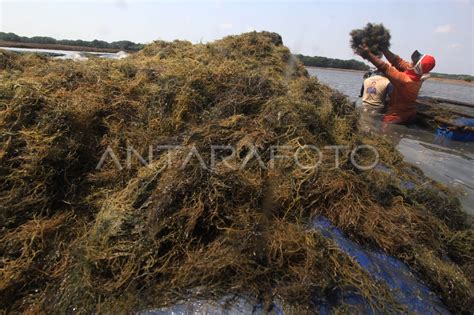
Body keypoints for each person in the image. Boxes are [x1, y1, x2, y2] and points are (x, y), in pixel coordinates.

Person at [356, 46, 436, 124]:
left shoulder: (406, 81)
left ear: (417, 67)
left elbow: (385, 68)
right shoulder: (416, 74)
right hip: (410, 114)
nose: (410, 62)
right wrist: (384, 48)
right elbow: (398, 61)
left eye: (414, 62)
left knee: (384, 132)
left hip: (396, 117)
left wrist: (368, 54)